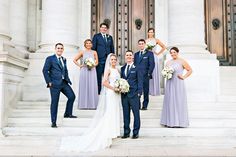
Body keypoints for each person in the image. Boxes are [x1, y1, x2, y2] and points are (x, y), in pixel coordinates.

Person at [60, 54, 121, 152]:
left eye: (115, 59)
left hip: (117, 94)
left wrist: (120, 87)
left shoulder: (117, 70)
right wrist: (114, 88)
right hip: (111, 93)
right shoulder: (108, 70)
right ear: (109, 61)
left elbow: (119, 81)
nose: (113, 61)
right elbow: (104, 83)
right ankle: (108, 132)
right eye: (112, 59)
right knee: (110, 112)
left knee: (115, 111)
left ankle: (114, 131)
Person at [42, 43, 77, 128]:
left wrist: (67, 79)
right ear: (55, 49)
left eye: (61, 48)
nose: (60, 50)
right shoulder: (50, 59)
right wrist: (49, 82)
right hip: (54, 84)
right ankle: (53, 122)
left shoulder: (64, 59)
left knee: (72, 96)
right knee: (55, 103)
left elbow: (65, 70)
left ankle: (67, 113)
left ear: (63, 50)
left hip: (64, 83)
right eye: (58, 48)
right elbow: (45, 70)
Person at [160, 47, 192, 128]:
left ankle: (180, 122)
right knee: (170, 101)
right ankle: (170, 122)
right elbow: (165, 71)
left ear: (177, 52)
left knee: (179, 101)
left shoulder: (182, 61)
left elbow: (190, 70)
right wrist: (165, 74)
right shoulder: (168, 62)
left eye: (174, 52)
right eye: (171, 52)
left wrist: (184, 77)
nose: (172, 54)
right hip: (170, 83)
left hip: (178, 83)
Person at [121, 50, 143, 139]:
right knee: (125, 114)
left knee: (136, 114)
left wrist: (139, 93)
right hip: (124, 95)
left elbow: (140, 81)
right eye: (127, 55)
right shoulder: (122, 68)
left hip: (134, 94)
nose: (129, 56)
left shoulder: (137, 67)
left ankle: (135, 132)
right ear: (125, 57)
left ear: (133, 57)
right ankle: (126, 132)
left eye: (130, 55)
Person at [73, 39, 99, 109]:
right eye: (87, 43)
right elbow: (74, 60)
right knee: (84, 86)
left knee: (92, 86)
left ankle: (93, 105)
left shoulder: (94, 52)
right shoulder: (82, 52)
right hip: (84, 70)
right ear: (85, 44)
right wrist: (80, 65)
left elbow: (97, 62)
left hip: (92, 70)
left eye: (89, 43)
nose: (88, 44)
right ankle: (83, 104)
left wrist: (93, 65)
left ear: (91, 44)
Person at [92, 23, 115, 94]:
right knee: (98, 76)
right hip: (100, 59)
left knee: (109, 75)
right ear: (100, 28)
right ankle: (98, 91)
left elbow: (112, 48)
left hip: (108, 60)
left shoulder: (110, 37)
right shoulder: (96, 36)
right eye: (102, 27)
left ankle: (108, 90)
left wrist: (112, 58)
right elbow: (94, 48)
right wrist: (95, 59)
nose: (104, 29)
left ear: (107, 29)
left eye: (105, 28)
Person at [134, 39, 155, 110]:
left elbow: (152, 64)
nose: (141, 45)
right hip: (137, 76)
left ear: (145, 44)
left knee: (146, 91)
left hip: (145, 75)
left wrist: (149, 73)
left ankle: (145, 105)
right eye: (139, 44)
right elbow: (134, 65)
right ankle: (138, 104)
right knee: (138, 90)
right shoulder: (136, 54)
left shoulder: (149, 53)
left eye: (142, 43)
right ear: (138, 45)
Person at [146, 28, 166, 96]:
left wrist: (158, 53)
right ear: (148, 33)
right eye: (149, 32)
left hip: (154, 57)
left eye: (152, 32)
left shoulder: (156, 40)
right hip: (148, 57)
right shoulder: (146, 41)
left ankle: (155, 91)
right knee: (149, 72)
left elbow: (164, 47)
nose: (151, 33)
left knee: (154, 72)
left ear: (153, 33)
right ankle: (149, 90)